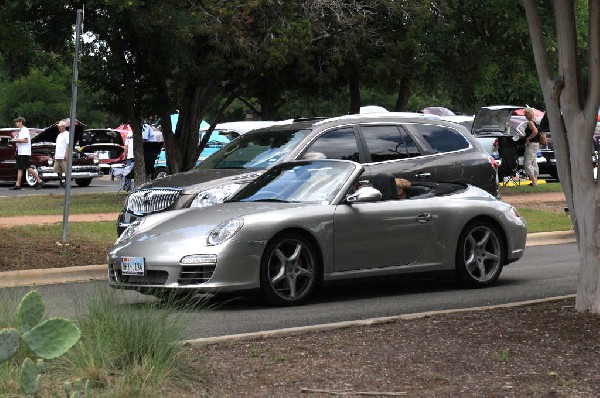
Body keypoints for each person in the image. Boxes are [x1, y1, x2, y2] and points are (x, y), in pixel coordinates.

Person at [9, 117, 44, 190]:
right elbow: (20, 142)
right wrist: (15, 142)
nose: (16, 123)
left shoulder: (25, 130)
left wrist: (16, 140)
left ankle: (40, 181)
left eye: (17, 122)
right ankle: (17, 184)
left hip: (25, 152)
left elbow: (25, 140)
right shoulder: (21, 131)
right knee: (19, 168)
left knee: (27, 167)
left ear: (21, 122)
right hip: (20, 152)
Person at [523, 108, 540, 187]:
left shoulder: (530, 122)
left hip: (531, 144)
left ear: (529, 114)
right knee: (533, 162)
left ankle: (533, 181)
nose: (525, 115)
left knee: (527, 163)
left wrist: (528, 138)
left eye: (526, 114)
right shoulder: (535, 121)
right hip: (536, 144)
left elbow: (535, 131)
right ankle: (535, 181)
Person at [54, 121, 69, 188]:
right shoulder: (59, 135)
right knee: (57, 169)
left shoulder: (67, 134)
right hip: (58, 155)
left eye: (59, 127)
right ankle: (62, 181)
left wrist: (66, 153)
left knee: (64, 169)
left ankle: (64, 182)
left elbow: (68, 145)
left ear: (63, 127)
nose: (58, 128)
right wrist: (55, 154)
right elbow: (58, 145)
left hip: (63, 155)